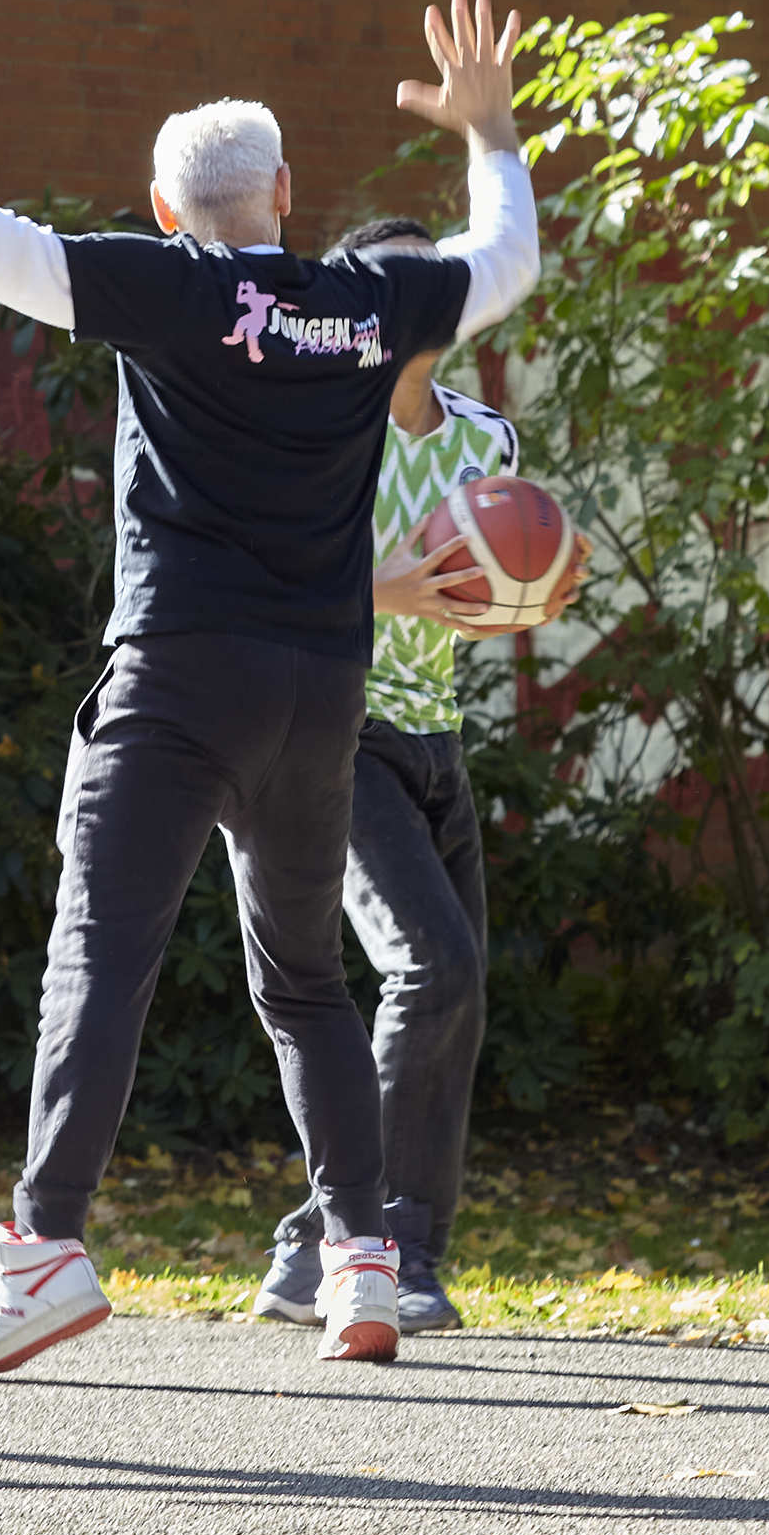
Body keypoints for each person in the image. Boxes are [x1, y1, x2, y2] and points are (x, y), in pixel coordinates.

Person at [0, 0, 539, 1370]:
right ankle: (363, 1260)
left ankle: (41, 1248)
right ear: (283, 191)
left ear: (160, 206)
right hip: (318, 692)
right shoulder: (364, 303)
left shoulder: (168, 286)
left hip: (178, 675)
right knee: (308, 982)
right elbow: (499, 260)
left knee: (99, 953)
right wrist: (489, 131)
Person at [250, 217, 588, 1336]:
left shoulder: (485, 436)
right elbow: (264, 583)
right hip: (336, 732)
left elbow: (485, 578)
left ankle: (393, 1250)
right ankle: (349, 1240)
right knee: (430, 965)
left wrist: (532, 588)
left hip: (435, 741)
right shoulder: (315, 432)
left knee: (461, 983)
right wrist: (384, 594)